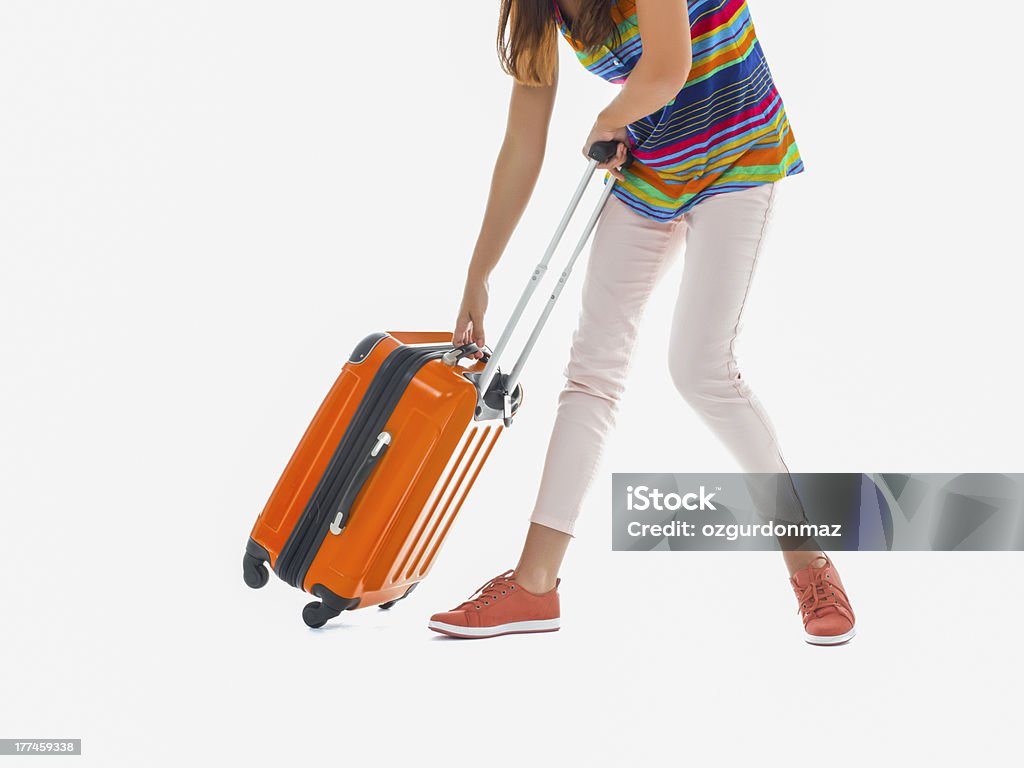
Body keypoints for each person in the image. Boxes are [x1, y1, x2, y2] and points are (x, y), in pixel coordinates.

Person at [428, 0, 856, 645]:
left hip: (740, 155)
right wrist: (478, 273)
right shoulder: (536, 11)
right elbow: (522, 141)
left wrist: (608, 117)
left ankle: (809, 564)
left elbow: (667, 67)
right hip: (654, 173)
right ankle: (534, 585)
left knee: (700, 370)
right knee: (591, 370)